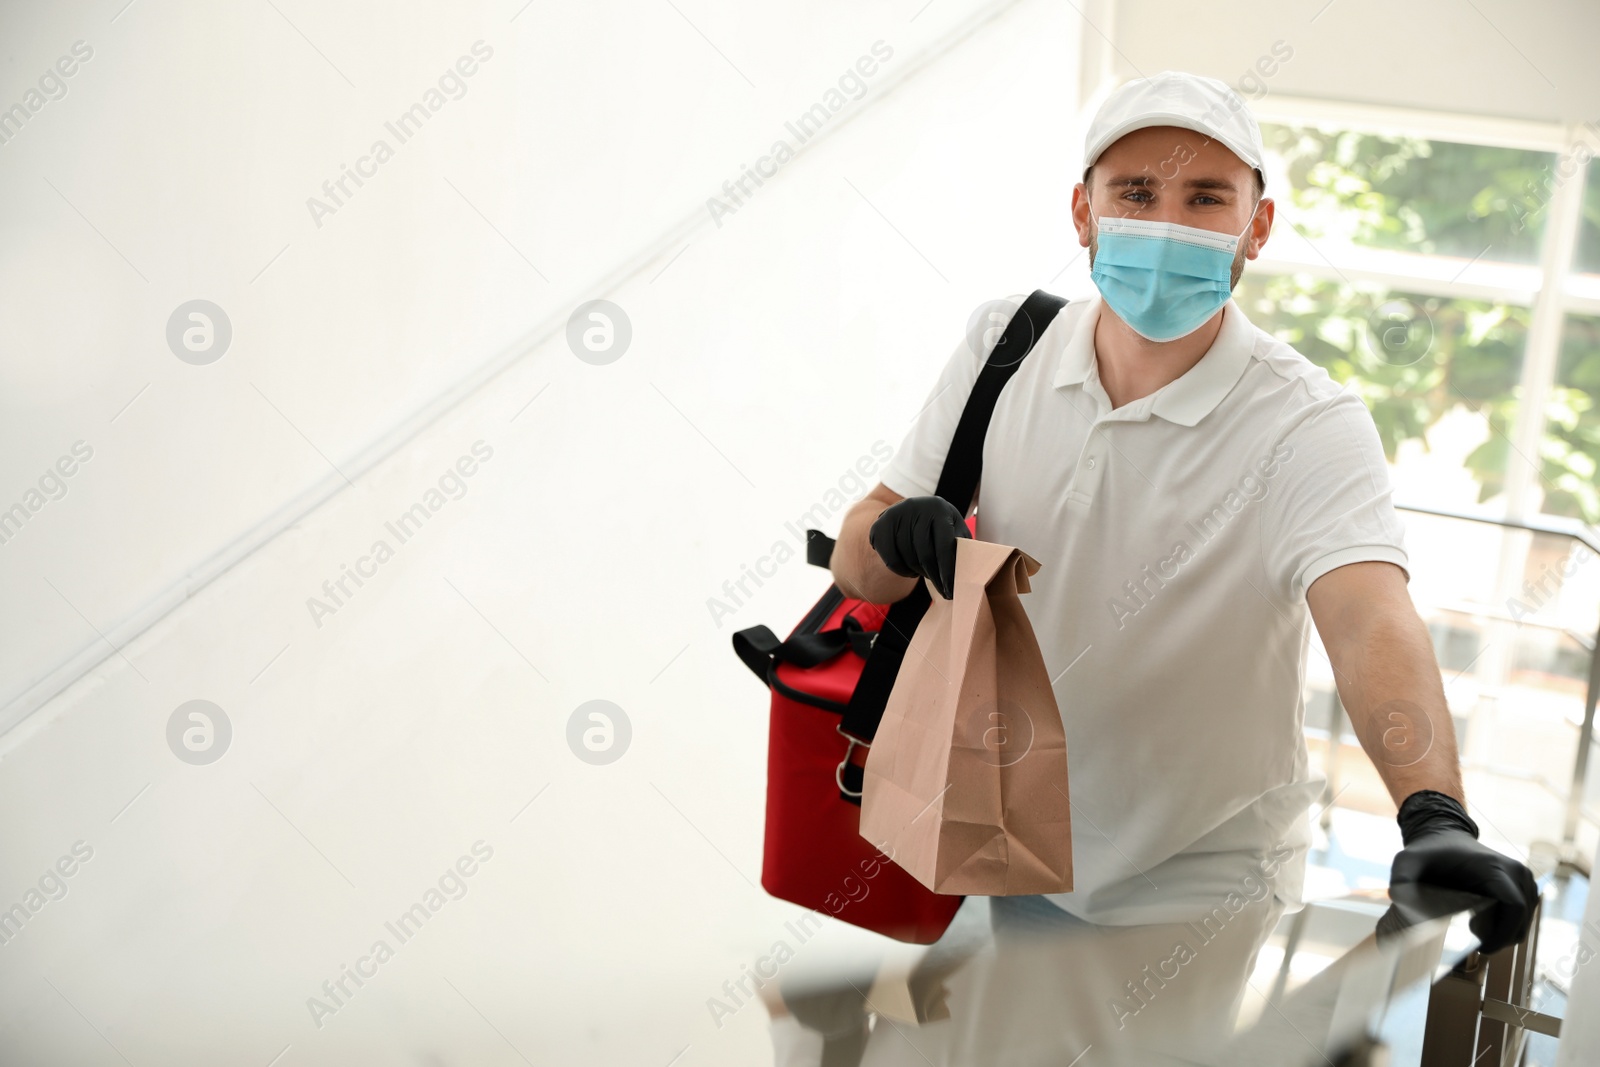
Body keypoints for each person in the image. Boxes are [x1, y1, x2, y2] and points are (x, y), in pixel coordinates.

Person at [828, 70, 1538, 956]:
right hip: (998, 829)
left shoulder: (1307, 422)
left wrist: (1433, 813)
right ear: (1083, 214)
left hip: (1192, 884)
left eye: (1206, 198)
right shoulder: (1004, 347)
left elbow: (1368, 619)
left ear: (1258, 227)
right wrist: (891, 536)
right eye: (1136, 192)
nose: (1166, 224)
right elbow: (859, 562)